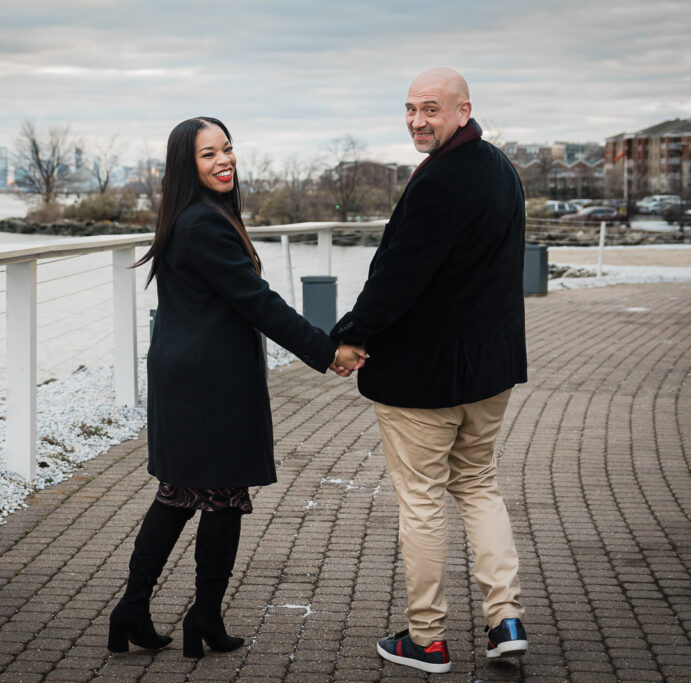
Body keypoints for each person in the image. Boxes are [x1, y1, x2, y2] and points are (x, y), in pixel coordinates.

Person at [107, 116, 365, 659]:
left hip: (187, 375)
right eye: (209, 155)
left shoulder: (195, 216)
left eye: (228, 149)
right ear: (187, 165)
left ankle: (134, 608)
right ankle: (202, 617)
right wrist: (325, 351)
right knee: (220, 497)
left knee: (178, 493)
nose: (225, 160)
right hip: (209, 383)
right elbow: (258, 302)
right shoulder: (204, 224)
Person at [330, 67, 528, 674]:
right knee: (478, 485)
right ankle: (505, 620)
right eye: (411, 109)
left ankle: (427, 638)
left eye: (432, 109)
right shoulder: (501, 170)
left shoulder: (441, 180)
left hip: (425, 379)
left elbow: (399, 277)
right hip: (487, 370)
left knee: (420, 501)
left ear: (463, 110)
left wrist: (349, 337)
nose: (418, 120)